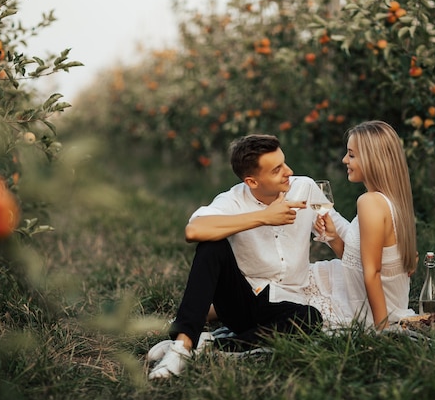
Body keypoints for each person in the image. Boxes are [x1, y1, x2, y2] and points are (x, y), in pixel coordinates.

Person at [147, 134, 348, 380]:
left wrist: (336, 238)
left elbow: (345, 241)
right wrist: (265, 217)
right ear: (252, 181)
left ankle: (207, 346)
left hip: (286, 302)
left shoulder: (305, 187)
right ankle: (181, 347)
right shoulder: (232, 200)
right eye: (277, 170)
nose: (289, 171)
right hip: (243, 300)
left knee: (310, 319)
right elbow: (194, 231)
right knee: (212, 245)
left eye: (284, 163)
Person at [304, 120, 417, 330]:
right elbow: (359, 265)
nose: (344, 159)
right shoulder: (393, 202)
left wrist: (382, 331)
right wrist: (334, 238)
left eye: (352, 155)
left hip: (369, 311)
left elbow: (372, 273)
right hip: (366, 296)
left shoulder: (370, 202)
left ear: (374, 159)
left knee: (275, 290)